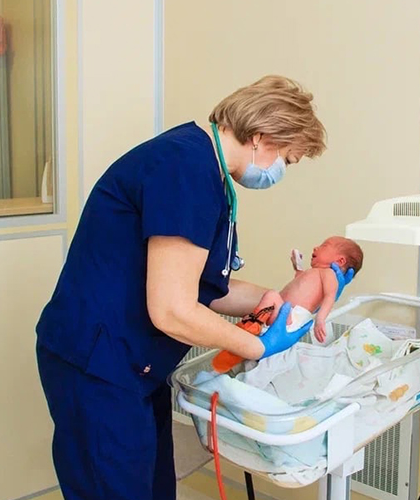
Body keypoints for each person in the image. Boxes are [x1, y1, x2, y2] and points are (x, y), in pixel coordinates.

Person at [34, 75, 355, 500]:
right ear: (262, 138)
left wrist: (282, 301)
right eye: (288, 160)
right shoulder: (185, 168)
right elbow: (172, 309)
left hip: (133, 365)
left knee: (152, 489)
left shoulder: (205, 169)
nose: (281, 172)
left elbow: (206, 288)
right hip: (97, 365)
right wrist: (257, 346)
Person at [211, 236, 364, 373]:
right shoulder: (314, 272)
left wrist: (320, 319)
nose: (315, 248)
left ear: (340, 261)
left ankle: (252, 324)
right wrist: (297, 267)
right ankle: (250, 331)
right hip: (284, 313)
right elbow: (299, 282)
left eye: (324, 245)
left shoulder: (328, 274)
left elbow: (330, 296)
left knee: (272, 295)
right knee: (270, 299)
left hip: (292, 317)